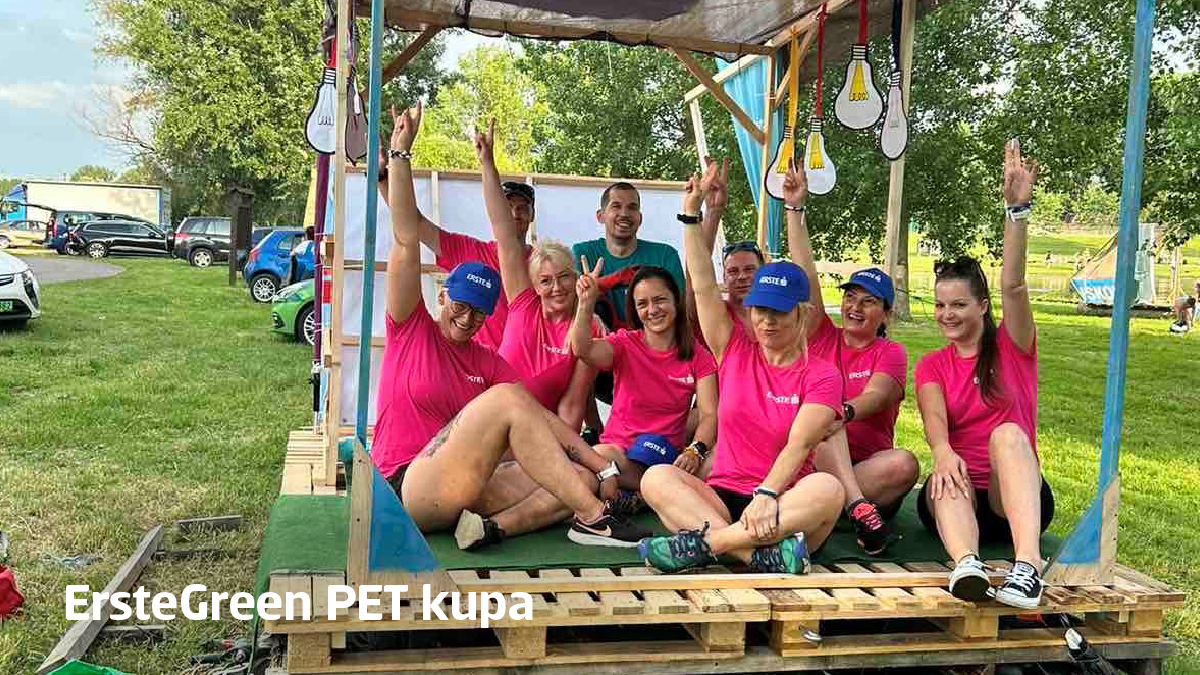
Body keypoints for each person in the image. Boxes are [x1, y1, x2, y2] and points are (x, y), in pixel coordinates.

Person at [376, 102, 651, 550]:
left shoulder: (489, 359)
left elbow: (547, 415)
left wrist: (599, 464)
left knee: (577, 475)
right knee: (507, 399)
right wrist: (401, 154)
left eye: (479, 314)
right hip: (407, 484)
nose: (467, 319)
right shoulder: (411, 329)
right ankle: (595, 518)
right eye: (460, 306)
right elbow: (408, 237)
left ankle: (492, 528)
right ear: (442, 296)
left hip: (465, 480)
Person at [636, 159, 846, 575]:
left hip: (783, 505)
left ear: (802, 313)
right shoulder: (734, 349)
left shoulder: (822, 374)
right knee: (655, 478)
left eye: (779, 312)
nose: (767, 321)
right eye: (759, 310)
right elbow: (701, 285)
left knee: (828, 487)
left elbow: (799, 445)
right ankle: (759, 557)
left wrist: (767, 495)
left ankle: (710, 546)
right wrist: (691, 216)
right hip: (721, 500)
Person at [915, 139, 1054, 609]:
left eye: (958, 304)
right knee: (945, 466)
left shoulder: (1013, 346)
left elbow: (1013, 284)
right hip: (957, 499)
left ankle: (1028, 566)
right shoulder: (932, 364)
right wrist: (942, 452)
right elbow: (934, 420)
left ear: (982, 306)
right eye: (940, 305)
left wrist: (1017, 211)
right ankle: (966, 564)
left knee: (1008, 434)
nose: (946, 314)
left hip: (1010, 498)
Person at [785, 167, 918, 556]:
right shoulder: (822, 334)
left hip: (867, 471)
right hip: (815, 463)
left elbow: (877, 395)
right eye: (850, 297)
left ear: (886, 314)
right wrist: (795, 209)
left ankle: (836, 503)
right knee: (822, 420)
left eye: (868, 301)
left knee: (905, 464)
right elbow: (805, 273)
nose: (855, 307)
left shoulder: (890, 352)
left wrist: (843, 412)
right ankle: (857, 510)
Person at [569, 261, 718, 503]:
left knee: (719, 458)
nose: (652, 310)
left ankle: (639, 494)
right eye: (642, 304)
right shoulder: (625, 343)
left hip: (668, 461)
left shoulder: (698, 355)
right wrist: (586, 303)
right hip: (618, 455)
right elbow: (582, 348)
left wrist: (695, 450)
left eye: (659, 300)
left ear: (675, 301)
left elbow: (709, 413)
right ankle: (648, 494)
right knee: (598, 456)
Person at [376, 143, 534, 351]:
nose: (514, 214)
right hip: (474, 364)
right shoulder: (471, 252)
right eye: (508, 207)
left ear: (532, 215)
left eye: (522, 208)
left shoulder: (546, 267)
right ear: (496, 209)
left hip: (523, 366)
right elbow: (414, 222)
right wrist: (382, 178)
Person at [572, 182, 686, 328]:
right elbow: (570, 305)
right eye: (616, 206)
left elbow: (682, 309)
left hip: (653, 339)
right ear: (601, 216)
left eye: (632, 207)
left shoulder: (665, 255)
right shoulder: (582, 253)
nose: (624, 214)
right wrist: (613, 280)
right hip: (599, 340)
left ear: (640, 218)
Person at [686, 157, 762, 343]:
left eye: (750, 269)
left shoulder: (779, 317)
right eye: (733, 271)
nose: (742, 277)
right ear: (724, 277)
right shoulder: (716, 315)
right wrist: (713, 211)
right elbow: (696, 276)